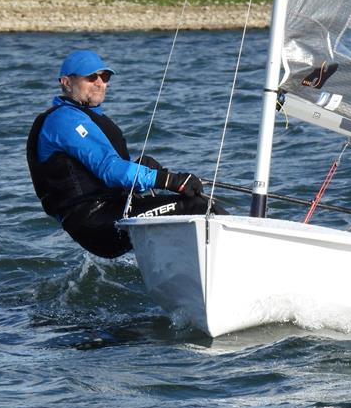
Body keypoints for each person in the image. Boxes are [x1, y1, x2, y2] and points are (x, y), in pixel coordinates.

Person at [27, 50, 227, 258]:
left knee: (185, 208)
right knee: (200, 207)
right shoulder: (63, 120)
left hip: (110, 211)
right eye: (91, 77)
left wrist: (143, 172)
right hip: (96, 220)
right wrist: (168, 180)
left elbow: (105, 174)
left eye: (104, 77)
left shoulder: (88, 118)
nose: (100, 83)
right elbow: (110, 169)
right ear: (67, 82)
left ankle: (187, 273)